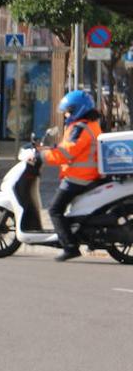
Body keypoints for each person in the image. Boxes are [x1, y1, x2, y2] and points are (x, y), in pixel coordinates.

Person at [40, 90, 103, 262]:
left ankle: (70, 246)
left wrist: (42, 156)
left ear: (79, 109)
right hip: (87, 175)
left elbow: (65, 154)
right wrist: (48, 149)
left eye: (69, 110)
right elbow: (67, 148)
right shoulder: (90, 124)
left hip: (78, 177)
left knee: (54, 209)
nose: (66, 114)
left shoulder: (80, 128)